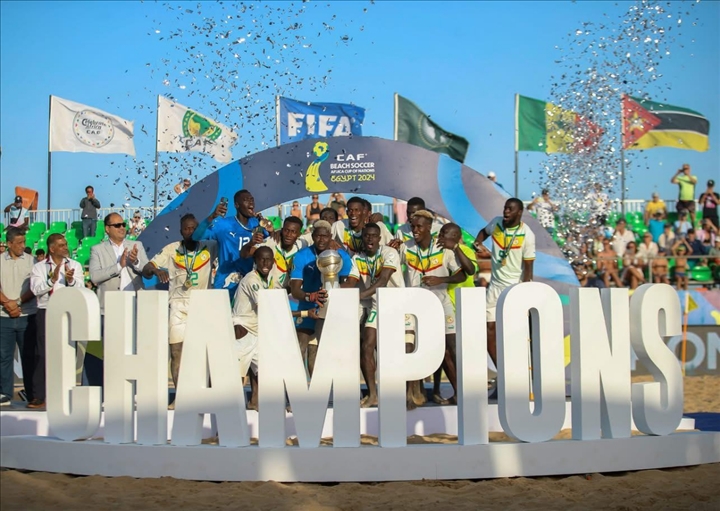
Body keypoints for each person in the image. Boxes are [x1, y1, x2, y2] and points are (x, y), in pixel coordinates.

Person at [142, 214, 217, 405]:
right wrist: (157, 270)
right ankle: (180, 397)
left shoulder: (210, 246)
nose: (190, 232)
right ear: (181, 231)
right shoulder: (171, 249)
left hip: (202, 303)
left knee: (205, 353)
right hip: (178, 304)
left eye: (194, 228)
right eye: (186, 229)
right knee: (176, 351)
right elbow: (146, 268)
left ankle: (206, 396)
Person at [401, 210, 468, 405]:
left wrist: (441, 279)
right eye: (413, 226)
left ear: (430, 227)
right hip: (414, 308)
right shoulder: (405, 248)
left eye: (419, 226)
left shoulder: (443, 248)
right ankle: (414, 394)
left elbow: (462, 275)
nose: (415, 230)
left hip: (441, 304)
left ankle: (460, 392)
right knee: (412, 348)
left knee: (450, 349)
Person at [341, 223, 404, 408]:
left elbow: (383, 281)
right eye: (366, 235)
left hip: (396, 304)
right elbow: (351, 281)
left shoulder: (389, 253)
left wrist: (359, 295)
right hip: (377, 304)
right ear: (362, 238)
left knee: (398, 350)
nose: (369, 238)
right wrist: (333, 292)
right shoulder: (357, 258)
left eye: (373, 235)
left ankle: (405, 393)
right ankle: (373, 394)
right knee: (367, 347)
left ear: (379, 238)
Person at [88, 213, 149, 386]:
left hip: (135, 305)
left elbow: (145, 268)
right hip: (109, 308)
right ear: (107, 229)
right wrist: (118, 266)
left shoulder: (137, 245)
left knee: (135, 350)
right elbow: (95, 276)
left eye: (123, 224)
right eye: (117, 225)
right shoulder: (97, 250)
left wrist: (135, 261)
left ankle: (134, 388)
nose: (122, 228)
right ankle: (111, 387)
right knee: (110, 351)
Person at [473, 198, 535, 367]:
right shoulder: (496, 223)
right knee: (487, 329)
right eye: (505, 208)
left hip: (514, 287)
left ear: (519, 212)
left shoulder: (527, 234)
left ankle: (521, 371)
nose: (506, 212)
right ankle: (502, 372)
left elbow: (529, 268)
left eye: (510, 209)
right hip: (494, 286)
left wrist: (526, 293)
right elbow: (483, 232)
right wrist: (477, 243)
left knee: (513, 333)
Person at [290, 221, 352, 377]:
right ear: (312, 236)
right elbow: (295, 289)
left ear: (330, 236)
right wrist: (309, 296)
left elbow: (348, 286)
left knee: (325, 351)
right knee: (299, 347)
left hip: (332, 309)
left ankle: (333, 390)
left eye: (325, 236)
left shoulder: (342, 256)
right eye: (317, 236)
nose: (321, 239)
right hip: (308, 306)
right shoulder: (302, 256)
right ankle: (297, 390)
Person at [29, 234, 84, 408]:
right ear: (52, 248)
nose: (65, 247)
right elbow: (36, 290)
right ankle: (39, 395)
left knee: (67, 354)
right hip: (46, 311)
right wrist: (52, 280)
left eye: (66, 244)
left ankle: (65, 393)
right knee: (42, 354)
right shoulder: (39, 267)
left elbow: (81, 289)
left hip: (68, 313)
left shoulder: (75, 265)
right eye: (61, 245)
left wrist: (70, 280)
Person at [192, 189, 266, 298]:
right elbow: (196, 237)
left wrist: (269, 227)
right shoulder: (223, 224)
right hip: (225, 283)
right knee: (221, 314)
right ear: (236, 205)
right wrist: (211, 217)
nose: (251, 202)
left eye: (252, 200)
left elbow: (271, 243)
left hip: (249, 283)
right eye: (246, 200)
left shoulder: (257, 224)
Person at [0, 227, 37, 407]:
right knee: (4, 357)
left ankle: (32, 394)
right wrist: (7, 303)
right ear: (9, 244)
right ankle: (5, 394)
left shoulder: (32, 261)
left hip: (26, 315)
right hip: (3, 316)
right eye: (19, 243)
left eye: (24, 242)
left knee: (28, 356)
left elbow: (35, 287)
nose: (23, 246)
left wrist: (18, 303)